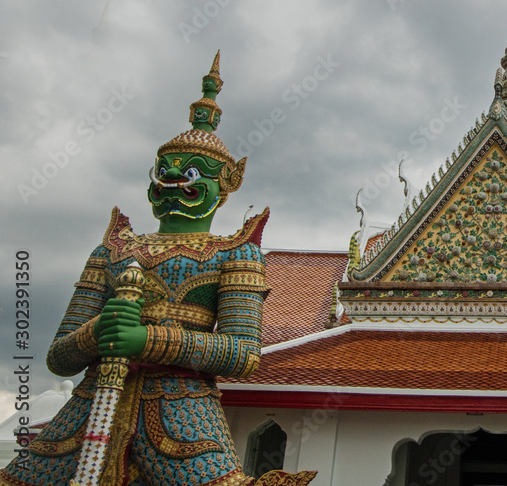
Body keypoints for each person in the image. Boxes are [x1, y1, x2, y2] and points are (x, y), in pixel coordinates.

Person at [0, 53, 315, 486]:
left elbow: (243, 355)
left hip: (181, 410)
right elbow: (59, 358)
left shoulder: (235, 253)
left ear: (225, 186)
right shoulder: (112, 248)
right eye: (163, 171)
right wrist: (98, 332)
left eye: (189, 173)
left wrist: (145, 339)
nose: (172, 181)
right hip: (91, 407)